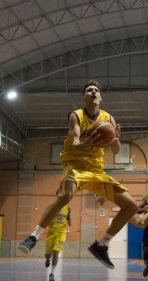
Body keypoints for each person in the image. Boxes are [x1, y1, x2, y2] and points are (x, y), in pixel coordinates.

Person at [17, 80, 139, 269]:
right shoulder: (76, 116)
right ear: (84, 97)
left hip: (96, 170)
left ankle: (102, 245)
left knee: (131, 205)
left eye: (96, 90)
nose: (93, 92)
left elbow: (115, 151)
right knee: (66, 195)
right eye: (89, 90)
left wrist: (115, 137)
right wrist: (85, 143)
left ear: (100, 96)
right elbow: (74, 142)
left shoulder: (109, 118)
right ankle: (32, 237)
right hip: (74, 164)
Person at [44, 185, 71, 281]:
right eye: (60, 193)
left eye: (62, 193)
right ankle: (47, 259)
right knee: (48, 254)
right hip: (51, 232)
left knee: (56, 252)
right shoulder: (51, 206)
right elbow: (45, 218)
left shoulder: (67, 207)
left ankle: (52, 273)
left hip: (61, 232)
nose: (61, 194)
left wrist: (69, 222)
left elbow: (68, 218)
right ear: (57, 195)